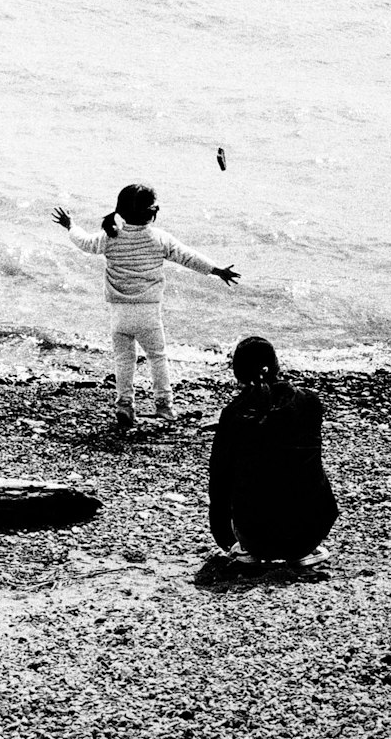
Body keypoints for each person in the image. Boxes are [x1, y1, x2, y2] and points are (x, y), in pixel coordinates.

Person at [53, 184, 237, 424]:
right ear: (151, 212)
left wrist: (70, 226)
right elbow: (188, 257)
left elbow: (85, 243)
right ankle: (164, 406)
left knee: (123, 359)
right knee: (158, 357)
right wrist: (216, 270)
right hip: (148, 313)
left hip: (119, 313)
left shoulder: (110, 236)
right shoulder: (159, 238)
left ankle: (125, 405)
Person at [207, 336, 337, 566]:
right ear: (277, 365)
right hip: (311, 531)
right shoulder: (309, 402)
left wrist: (225, 539)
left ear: (237, 374)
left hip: (256, 537)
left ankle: (255, 547)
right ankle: (299, 545)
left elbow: (219, 480)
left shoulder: (234, 413)